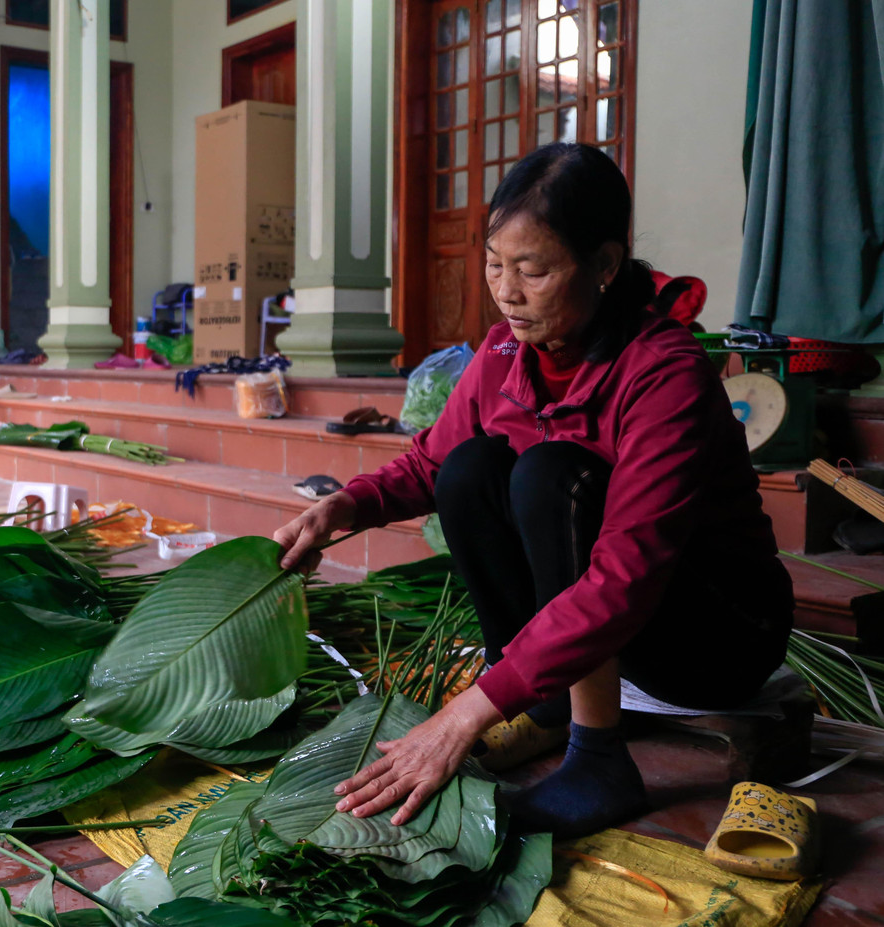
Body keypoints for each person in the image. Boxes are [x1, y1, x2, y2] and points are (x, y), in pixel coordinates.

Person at [274, 143, 793, 838]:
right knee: (470, 469)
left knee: (552, 476)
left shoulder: (663, 374)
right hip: (619, 629)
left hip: (715, 635)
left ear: (605, 266)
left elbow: (624, 580)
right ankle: (546, 705)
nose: (507, 292)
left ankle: (599, 756)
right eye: (495, 265)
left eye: (534, 270)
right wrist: (348, 505)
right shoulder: (503, 356)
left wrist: (466, 712)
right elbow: (431, 464)